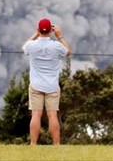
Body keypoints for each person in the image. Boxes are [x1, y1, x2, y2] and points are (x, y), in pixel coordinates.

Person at [22, 18, 71, 146]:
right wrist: (60, 36)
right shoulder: (56, 46)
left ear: (38, 30)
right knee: (52, 116)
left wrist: (35, 34)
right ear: (51, 30)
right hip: (52, 86)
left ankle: (33, 144)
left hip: (36, 85)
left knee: (36, 115)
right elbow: (68, 52)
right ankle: (56, 145)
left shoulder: (32, 46)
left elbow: (25, 47)